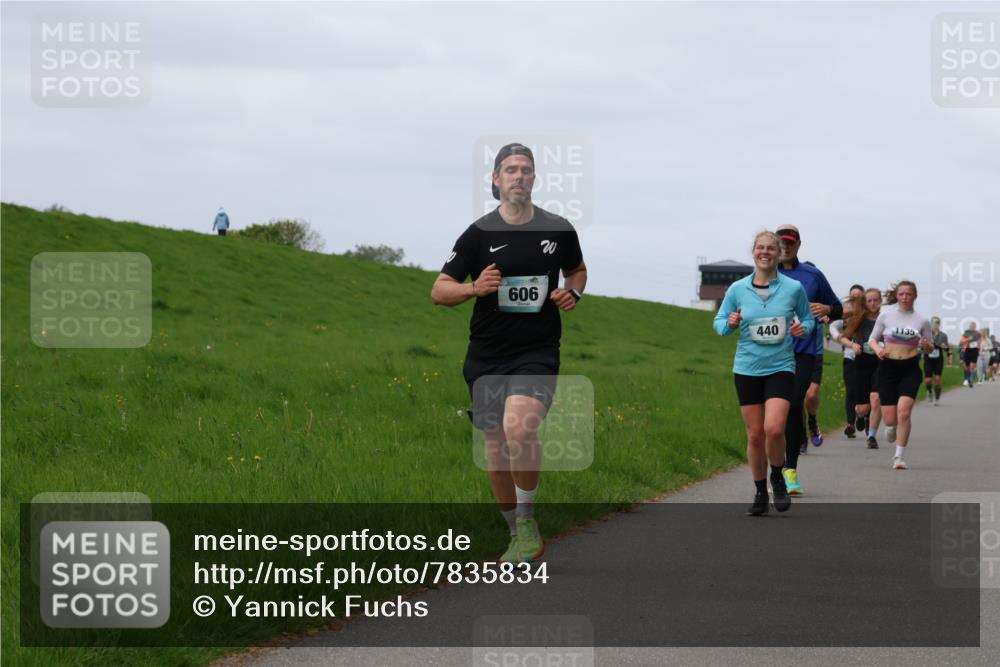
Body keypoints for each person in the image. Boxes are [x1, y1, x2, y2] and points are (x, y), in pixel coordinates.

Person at [431, 143, 587, 563]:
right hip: (486, 354)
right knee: (496, 450)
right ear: (496, 180)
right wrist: (473, 288)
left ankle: (528, 522)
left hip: (537, 349)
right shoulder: (478, 233)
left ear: (534, 180)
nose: (519, 176)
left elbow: (577, 270)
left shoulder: (558, 229)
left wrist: (572, 292)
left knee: (519, 428)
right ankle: (517, 535)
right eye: (510, 170)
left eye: (526, 170)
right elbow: (439, 290)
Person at [714, 230, 814, 515]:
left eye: (771, 248)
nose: (766, 252)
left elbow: (807, 320)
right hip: (747, 368)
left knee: (773, 428)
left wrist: (802, 328)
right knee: (755, 435)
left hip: (781, 367)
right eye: (761, 248)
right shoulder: (737, 289)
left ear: (779, 253)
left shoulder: (793, 288)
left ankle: (777, 478)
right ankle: (760, 492)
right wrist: (730, 322)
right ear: (754, 252)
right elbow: (719, 324)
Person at [775, 226, 843, 494]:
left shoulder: (812, 275)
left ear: (799, 245)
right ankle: (774, 467)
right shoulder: (764, 273)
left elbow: (837, 307)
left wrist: (827, 309)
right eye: (781, 243)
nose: (786, 247)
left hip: (802, 352)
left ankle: (789, 468)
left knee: (793, 406)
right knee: (772, 416)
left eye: (790, 243)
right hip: (769, 352)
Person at [868, 281, 934, 470]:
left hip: (910, 368)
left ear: (915, 296)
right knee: (890, 420)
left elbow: (930, 346)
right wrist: (877, 349)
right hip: (888, 367)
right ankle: (891, 427)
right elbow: (872, 339)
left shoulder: (922, 320)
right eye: (901, 294)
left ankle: (899, 456)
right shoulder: (886, 316)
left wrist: (926, 345)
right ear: (897, 296)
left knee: (904, 411)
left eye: (909, 294)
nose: (905, 297)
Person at [834, 288, 884, 449]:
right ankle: (860, 416)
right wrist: (853, 345)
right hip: (861, 362)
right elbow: (842, 337)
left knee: (876, 399)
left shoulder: (886, 318)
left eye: (875, 300)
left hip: (880, 362)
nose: (873, 303)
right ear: (864, 302)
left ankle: (871, 436)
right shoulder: (857, 318)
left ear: (880, 301)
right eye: (869, 300)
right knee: (862, 407)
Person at [829, 284, 865, 437]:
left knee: (865, 392)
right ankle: (850, 423)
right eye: (853, 296)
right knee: (851, 391)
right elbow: (833, 327)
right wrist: (840, 338)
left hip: (867, 358)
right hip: (849, 357)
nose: (855, 299)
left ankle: (862, 416)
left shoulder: (869, 313)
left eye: (858, 296)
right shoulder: (844, 313)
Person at [922, 316, 950, 404]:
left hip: (938, 360)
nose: (935, 325)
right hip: (928, 359)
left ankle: (937, 398)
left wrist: (945, 347)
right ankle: (929, 392)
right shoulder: (926, 334)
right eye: (934, 323)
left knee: (937, 379)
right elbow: (922, 347)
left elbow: (947, 349)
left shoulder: (943, 335)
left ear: (939, 324)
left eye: (937, 323)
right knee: (928, 380)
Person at [959, 322, 982, 388]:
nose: (972, 327)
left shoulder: (977, 334)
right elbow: (961, 341)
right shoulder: (965, 334)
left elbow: (980, 340)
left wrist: (978, 342)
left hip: (974, 350)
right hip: (967, 350)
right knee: (967, 367)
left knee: (972, 366)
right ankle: (968, 379)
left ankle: (971, 380)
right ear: (969, 326)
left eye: (974, 326)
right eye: (971, 326)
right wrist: (968, 339)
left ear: (975, 327)